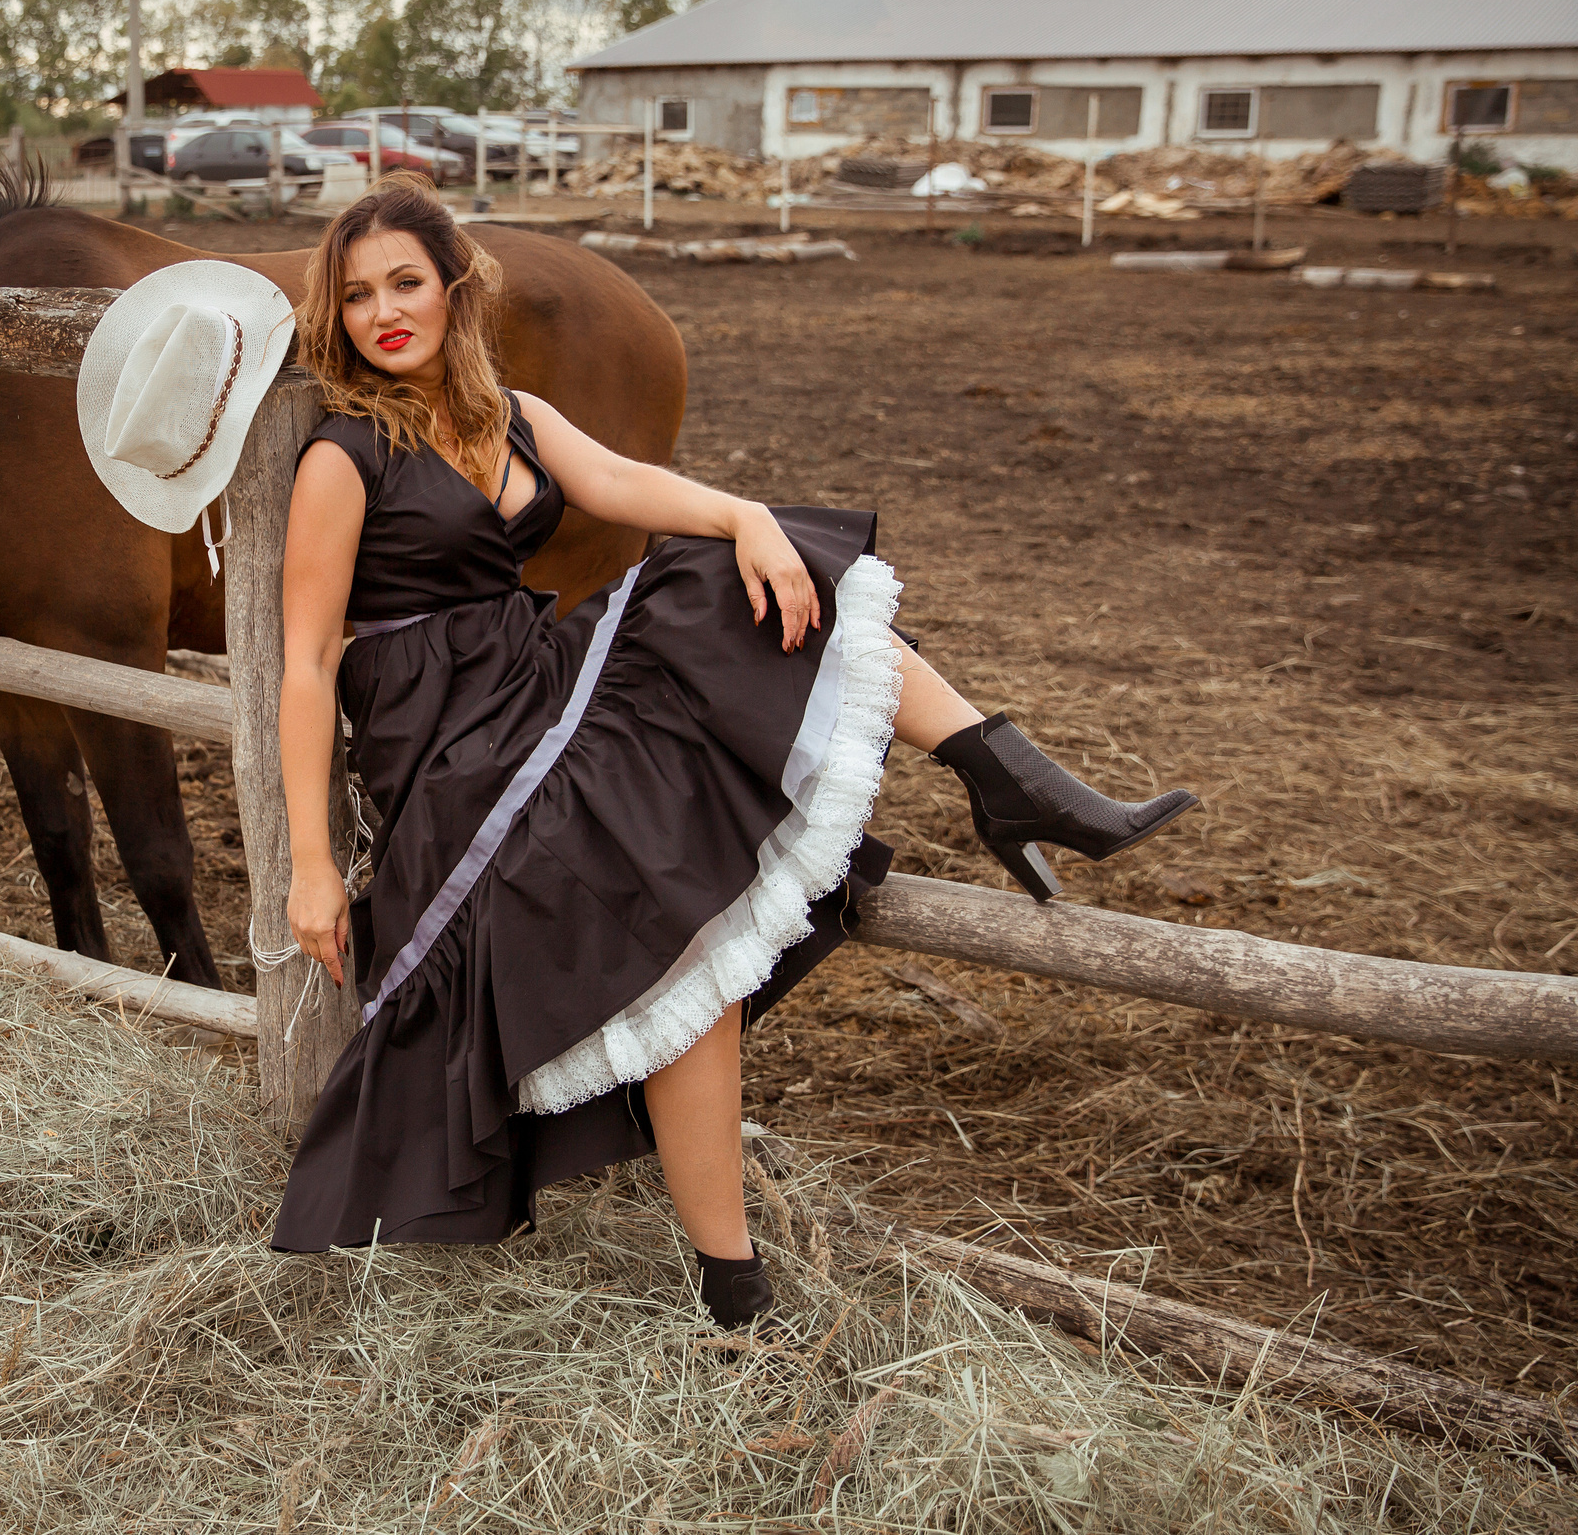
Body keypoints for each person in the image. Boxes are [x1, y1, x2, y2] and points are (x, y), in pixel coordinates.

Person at [73, 173, 1197, 1338]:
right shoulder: (342, 456)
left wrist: (749, 518)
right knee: (679, 946)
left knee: (744, 577)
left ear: (455, 288)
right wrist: (312, 865)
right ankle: (737, 1286)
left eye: (404, 283)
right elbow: (306, 665)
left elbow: (626, 487)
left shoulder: (513, 414)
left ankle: (1004, 778)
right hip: (445, 745)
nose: (382, 313)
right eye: (356, 296)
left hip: (532, 681)